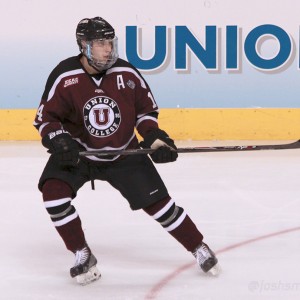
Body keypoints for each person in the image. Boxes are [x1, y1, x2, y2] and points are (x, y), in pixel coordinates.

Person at [33, 16, 219, 285]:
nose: (108, 48)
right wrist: (59, 140)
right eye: (100, 43)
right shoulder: (64, 75)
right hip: (81, 154)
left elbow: (145, 112)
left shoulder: (127, 73)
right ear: (83, 45)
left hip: (124, 153)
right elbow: (46, 118)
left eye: (110, 41)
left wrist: (154, 138)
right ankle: (82, 254)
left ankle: (199, 247)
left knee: (162, 207)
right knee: (53, 196)